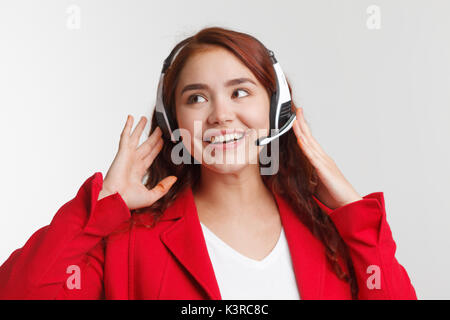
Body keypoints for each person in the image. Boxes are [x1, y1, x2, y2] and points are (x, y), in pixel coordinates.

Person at [0, 26, 417, 300]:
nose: (220, 115)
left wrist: (354, 215)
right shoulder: (128, 240)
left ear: (277, 108)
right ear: (173, 121)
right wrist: (100, 206)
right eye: (196, 98)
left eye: (240, 92)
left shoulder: (330, 234)